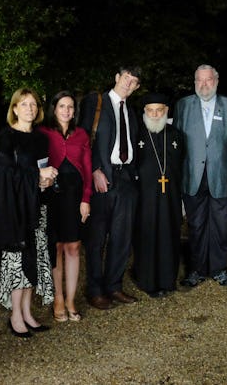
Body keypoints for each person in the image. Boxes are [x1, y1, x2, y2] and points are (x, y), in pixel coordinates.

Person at [0, 87, 57, 338]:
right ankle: (15, 315)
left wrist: (47, 181)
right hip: (15, 210)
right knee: (17, 262)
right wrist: (38, 175)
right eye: (24, 104)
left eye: (34, 104)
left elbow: (42, 170)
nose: (30, 108)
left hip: (37, 207)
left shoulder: (40, 139)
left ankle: (27, 313)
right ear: (14, 109)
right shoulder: (7, 138)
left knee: (34, 260)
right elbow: (7, 174)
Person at [173, 64, 227, 287]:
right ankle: (195, 270)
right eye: (199, 80)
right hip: (192, 176)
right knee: (196, 225)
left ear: (216, 81)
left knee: (222, 227)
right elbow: (175, 144)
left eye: (208, 80)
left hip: (222, 176)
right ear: (194, 82)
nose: (204, 84)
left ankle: (219, 269)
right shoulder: (183, 106)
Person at [78, 66, 142, 309]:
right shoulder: (96, 103)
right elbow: (83, 140)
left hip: (126, 179)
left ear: (136, 87)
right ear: (117, 77)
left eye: (134, 82)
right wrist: (94, 170)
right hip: (101, 178)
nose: (129, 83)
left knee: (122, 238)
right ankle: (95, 290)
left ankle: (114, 286)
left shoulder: (132, 112)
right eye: (126, 78)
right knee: (96, 239)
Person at [38, 91, 92, 322]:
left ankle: (71, 299)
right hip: (53, 197)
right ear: (54, 108)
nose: (66, 111)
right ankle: (58, 297)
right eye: (62, 106)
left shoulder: (81, 135)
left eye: (70, 107)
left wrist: (86, 199)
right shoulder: (43, 133)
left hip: (75, 198)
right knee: (57, 247)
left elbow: (88, 171)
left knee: (73, 247)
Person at [133, 93, 184, 298]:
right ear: (144, 112)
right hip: (144, 199)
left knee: (169, 235)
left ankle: (167, 280)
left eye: (159, 110)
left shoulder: (176, 136)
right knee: (147, 236)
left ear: (166, 111)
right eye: (150, 110)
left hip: (169, 198)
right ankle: (147, 281)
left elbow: (181, 165)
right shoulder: (137, 136)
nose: (155, 114)